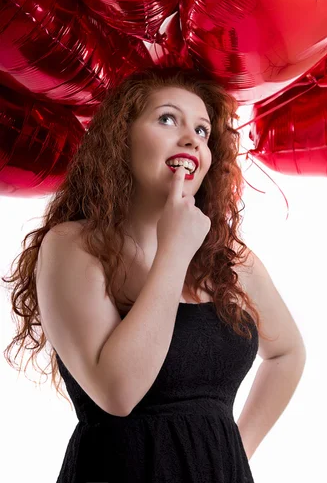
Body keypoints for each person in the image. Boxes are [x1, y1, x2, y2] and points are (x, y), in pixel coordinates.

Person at [3, 67, 275, 482]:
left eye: (202, 131)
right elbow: (118, 393)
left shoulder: (226, 258)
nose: (191, 139)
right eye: (168, 119)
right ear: (121, 138)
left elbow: (288, 353)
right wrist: (173, 251)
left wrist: (235, 451)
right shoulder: (72, 245)